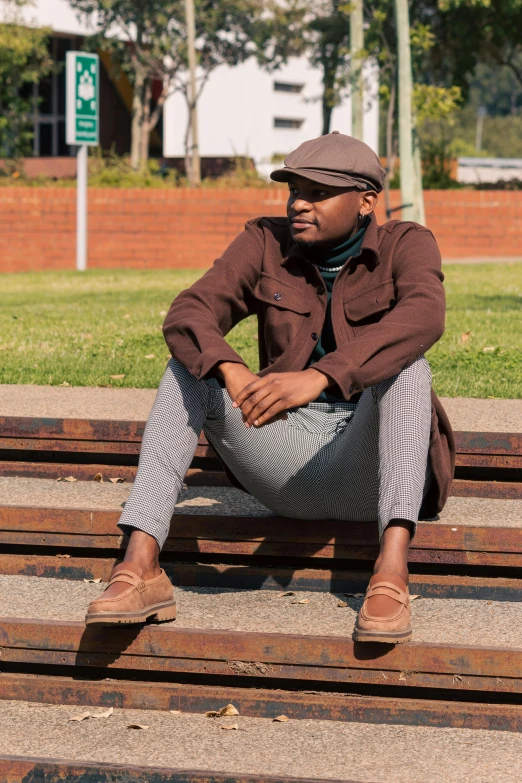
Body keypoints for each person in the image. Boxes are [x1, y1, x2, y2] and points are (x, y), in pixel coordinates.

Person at [86, 132, 454, 643]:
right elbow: (190, 311)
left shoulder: (406, 244)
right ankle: (140, 567)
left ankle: (391, 573)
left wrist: (323, 375)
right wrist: (233, 371)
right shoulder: (264, 241)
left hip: (371, 466)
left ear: (366, 201)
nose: (299, 202)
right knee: (191, 365)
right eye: (294, 190)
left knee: (408, 368)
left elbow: (424, 314)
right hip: (283, 458)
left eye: (318, 193)